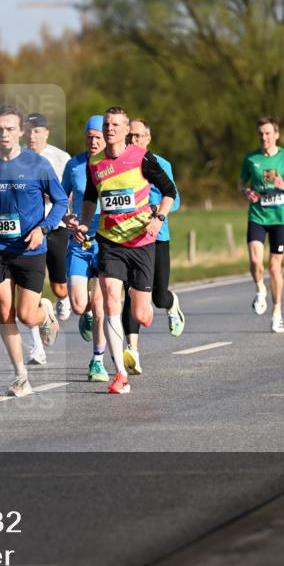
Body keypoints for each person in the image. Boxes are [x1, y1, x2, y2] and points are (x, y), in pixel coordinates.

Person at [75, 107, 177, 395]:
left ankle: (143, 300)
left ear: (124, 129)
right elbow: (90, 197)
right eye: (107, 124)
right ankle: (120, 373)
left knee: (143, 313)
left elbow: (169, 191)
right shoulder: (94, 162)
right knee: (109, 300)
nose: (109, 129)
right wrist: (84, 224)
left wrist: (158, 219)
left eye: (115, 124)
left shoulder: (142, 157)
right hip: (110, 242)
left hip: (142, 241)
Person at [0, 105, 68, 397]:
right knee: (5, 311)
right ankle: (20, 376)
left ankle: (45, 314)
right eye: (0, 129)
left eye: (10, 128)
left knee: (27, 316)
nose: (5, 133)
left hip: (29, 248)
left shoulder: (37, 164)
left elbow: (61, 201)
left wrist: (43, 228)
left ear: (20, 132)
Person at [120, 119, 185, 375]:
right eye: (130, 136)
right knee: (131, 293)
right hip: (128, 238)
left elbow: (176, 200)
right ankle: (132, 350)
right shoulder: (119, 165)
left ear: (148, 138)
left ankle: (171, 304)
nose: (134, 141)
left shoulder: (161, 164)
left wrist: (155, 211)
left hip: (157, 237)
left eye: (139, 136)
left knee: (157, 297)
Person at [238, 117, 284, 333]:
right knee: (256, 261)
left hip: (279, 219)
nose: (264, 137)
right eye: (261, 134)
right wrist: (246, 191)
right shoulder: (251, 158)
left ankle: (277, 312)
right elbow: (241, 183)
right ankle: (259, 289)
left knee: (275, 267)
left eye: (268, 133)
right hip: (257, 215)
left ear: (276, 134)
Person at [61, 115, 110, 382]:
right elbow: (60, 197)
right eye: (89, 137)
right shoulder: (74, 165)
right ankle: (87, 314)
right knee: (80, 306)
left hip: (106, 242)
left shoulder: (112, 165)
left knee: (102, 305)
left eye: (97, 137)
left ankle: (98, 361)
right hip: (79, 243)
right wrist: (67, 217)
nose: (92, 141)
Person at [22, 112, 72, 365]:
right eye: (28, 131)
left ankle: (62, 300)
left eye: (37, 131)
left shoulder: (61, 159)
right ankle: (36, 349)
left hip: (56, 226)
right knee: (30, 291)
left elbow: (69, 194)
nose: (32, 136)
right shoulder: (15, 158)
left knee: (58, 285)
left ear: (46, 132)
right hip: (28, 232)